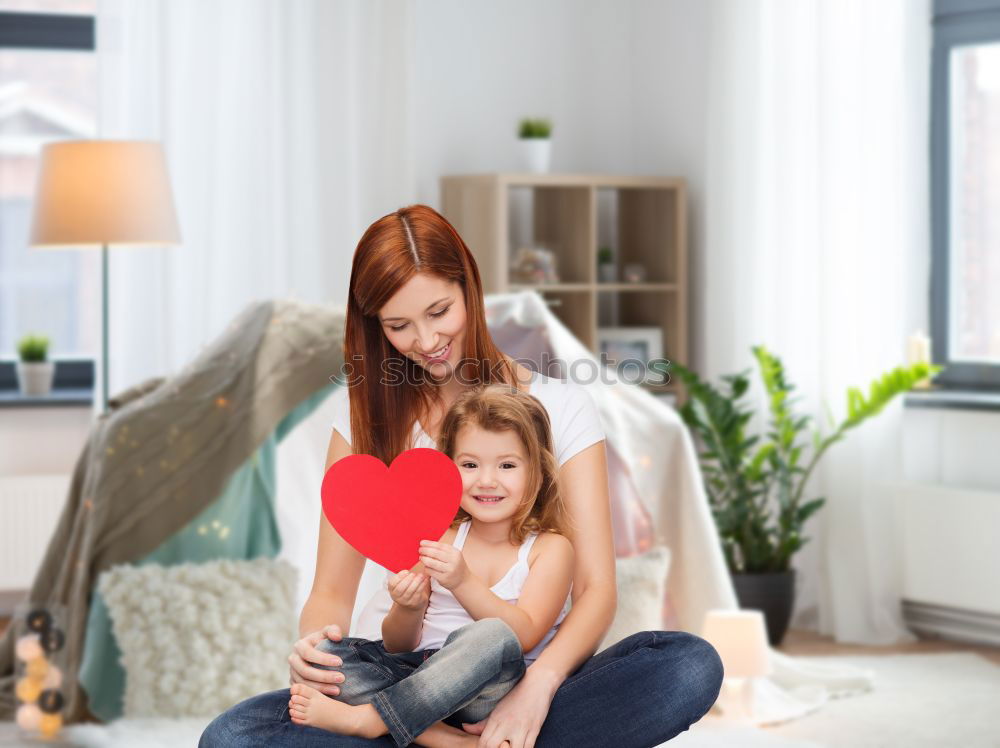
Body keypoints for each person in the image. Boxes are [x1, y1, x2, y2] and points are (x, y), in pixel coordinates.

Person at [200, 204, 723, 748]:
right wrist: (314, 653)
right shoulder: (362, 415)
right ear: (374, 325)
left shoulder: (559, 406)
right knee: (232, 736)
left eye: (439, 311)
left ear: (469, 288)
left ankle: (462, 734)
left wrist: (536, 691)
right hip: (401, 674)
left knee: (687, 664)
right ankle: (447, 739)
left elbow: (595, 590)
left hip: (516, 679)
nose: (425, 341)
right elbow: (331, 590)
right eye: (399, 325)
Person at [286, 385, 575, 747]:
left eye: (507, 465)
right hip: (417, 679)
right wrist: (408, 607)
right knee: (328, 655)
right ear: (450, 469)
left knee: (492, 635)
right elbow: (398, 645)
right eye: (470, 465)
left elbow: (524, 635)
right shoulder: (441, 536)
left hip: (486, 690)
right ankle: (449, 741)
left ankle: (372, 720)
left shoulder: (549, 548)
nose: (486, 480)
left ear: (538, 470)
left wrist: (463, 581)